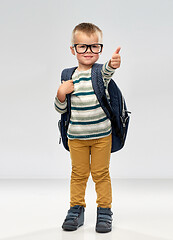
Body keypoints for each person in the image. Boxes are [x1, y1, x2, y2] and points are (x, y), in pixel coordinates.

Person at [54, 22, 121, 233]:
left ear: (100, 49)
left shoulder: (100, 73)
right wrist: (61, 93)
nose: (89, 51)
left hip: (102, 136)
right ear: (73, 49)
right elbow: (61, 109)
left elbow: (109, 71)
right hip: (76, 137)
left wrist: (113, 63)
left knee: (101, 174)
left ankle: (104, 211)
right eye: (83, 46)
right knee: (78, 174)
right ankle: (76, 209)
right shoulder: (67, 76)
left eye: (94, 46)